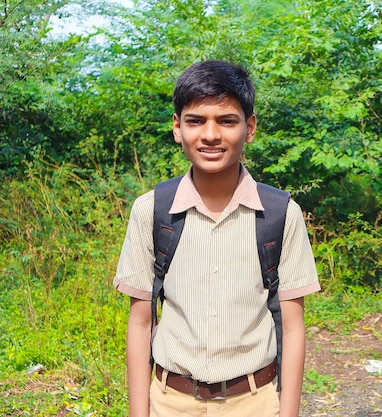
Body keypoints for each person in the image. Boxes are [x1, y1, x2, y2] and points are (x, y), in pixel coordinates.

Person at [113, 60, 320, 417]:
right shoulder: (151, 211)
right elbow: (141, 322)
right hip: (170, 402)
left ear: (249, 128)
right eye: (196, 121)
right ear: (177, 127)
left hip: (255, 402)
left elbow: (292, 325)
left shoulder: (281, 214)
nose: (210, 135)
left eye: (226, 121)